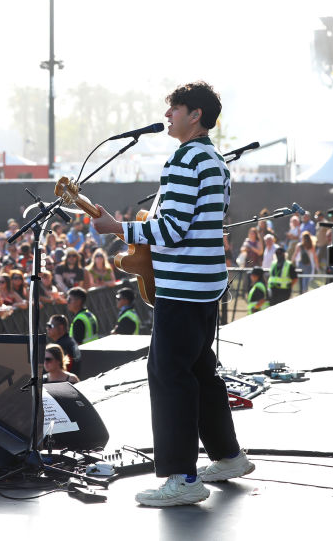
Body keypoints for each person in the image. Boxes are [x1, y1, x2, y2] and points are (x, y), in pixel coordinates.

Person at [91, 81, 253, 507]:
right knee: (200, 373)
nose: (167, 117)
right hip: (205, 284)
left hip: (182, 288)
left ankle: (182, 477)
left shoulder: (184, 160)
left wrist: (118, 228)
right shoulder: (215, 160)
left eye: (173, 109)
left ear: (194, 114)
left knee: (168, 376)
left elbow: (170, 230)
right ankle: (228, 456)